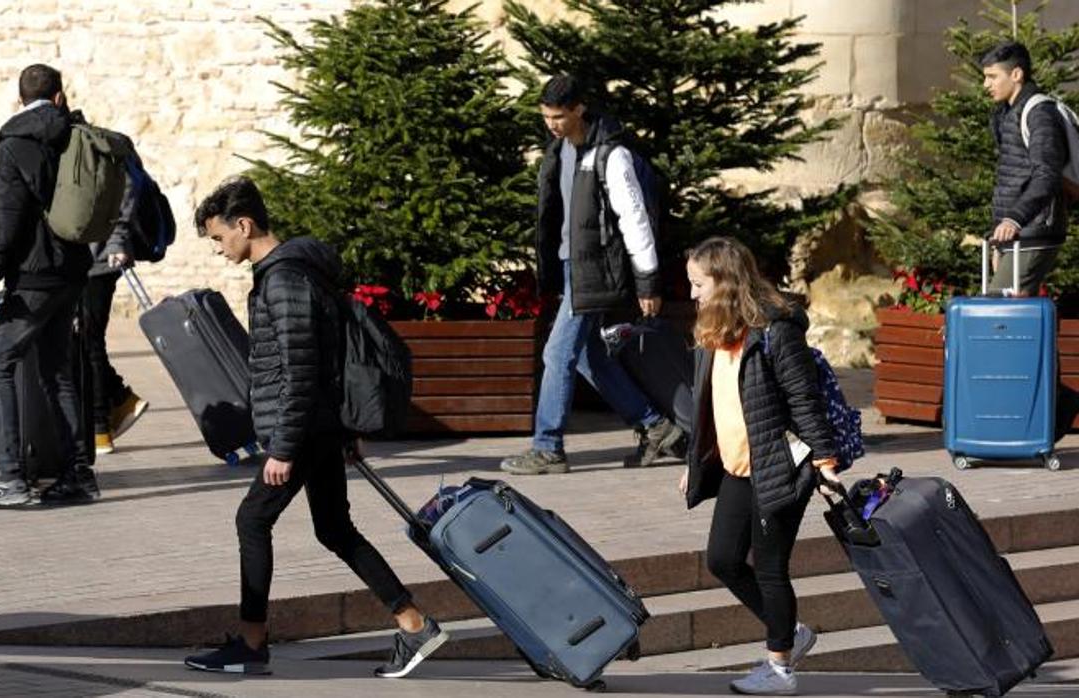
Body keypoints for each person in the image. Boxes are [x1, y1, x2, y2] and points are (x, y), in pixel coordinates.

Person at [182, 177, 447, 678]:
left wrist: (282, 448)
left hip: (302, 429)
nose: (219, 249)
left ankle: (252, 643)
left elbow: (302, 370)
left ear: (244, 225)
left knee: (252, 520)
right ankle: (414, 625)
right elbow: (326, 360)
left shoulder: (284, 280)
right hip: (320, 425)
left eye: (219, 238)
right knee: (334, 528)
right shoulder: (292, 272)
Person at [678, 237, 843, 695]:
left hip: (781, 467)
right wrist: (696, 462)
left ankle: (779, 668)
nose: (692, 294)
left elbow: (804, 400)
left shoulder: (776, 329)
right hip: (737, 466)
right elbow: (711, 406)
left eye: (698, 284)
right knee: (723, 560)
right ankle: (791, 632)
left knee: (770, 568)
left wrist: (826, 462)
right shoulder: (715, 327)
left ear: (725, 282)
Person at [500, 74, 684, 476]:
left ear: (579, 108)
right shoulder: (560, 149)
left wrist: (648, 281)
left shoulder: (610, 155)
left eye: (559, 116)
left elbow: (635, 220)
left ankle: (548, 448)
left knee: (556, 354)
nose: (551, 123)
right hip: (572, 268)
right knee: (586, 357)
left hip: (596, 273)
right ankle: (656, 426)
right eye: (546, 116)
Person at [0, 63, 99, 508]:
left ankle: (10, 478)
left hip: (34, 275)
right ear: (60, 97)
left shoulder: (15, 144)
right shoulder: (78, 134)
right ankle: (78, 474)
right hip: (73, 273)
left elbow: (6, 223)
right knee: (55, 370)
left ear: (20, 100)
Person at [982, 41, 1068, 296]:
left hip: (1035, 228)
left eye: (992, 77)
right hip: (1020, 233)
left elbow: (1047, 175)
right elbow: (1015, 175)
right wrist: (1002, 240)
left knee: (998, 310)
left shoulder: (1038, 113)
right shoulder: (1009, 112)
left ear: (1016, 74)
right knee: (1005, 312)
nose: (986, 85)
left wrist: (1013, 219)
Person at [83, 185, 149, 456]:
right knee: (81, 339)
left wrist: (117, 241)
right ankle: (120, 400)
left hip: (99, 260)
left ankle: (100, 429)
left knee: (88, 340)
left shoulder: (107, 144)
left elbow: (125, 192)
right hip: (82, 259)